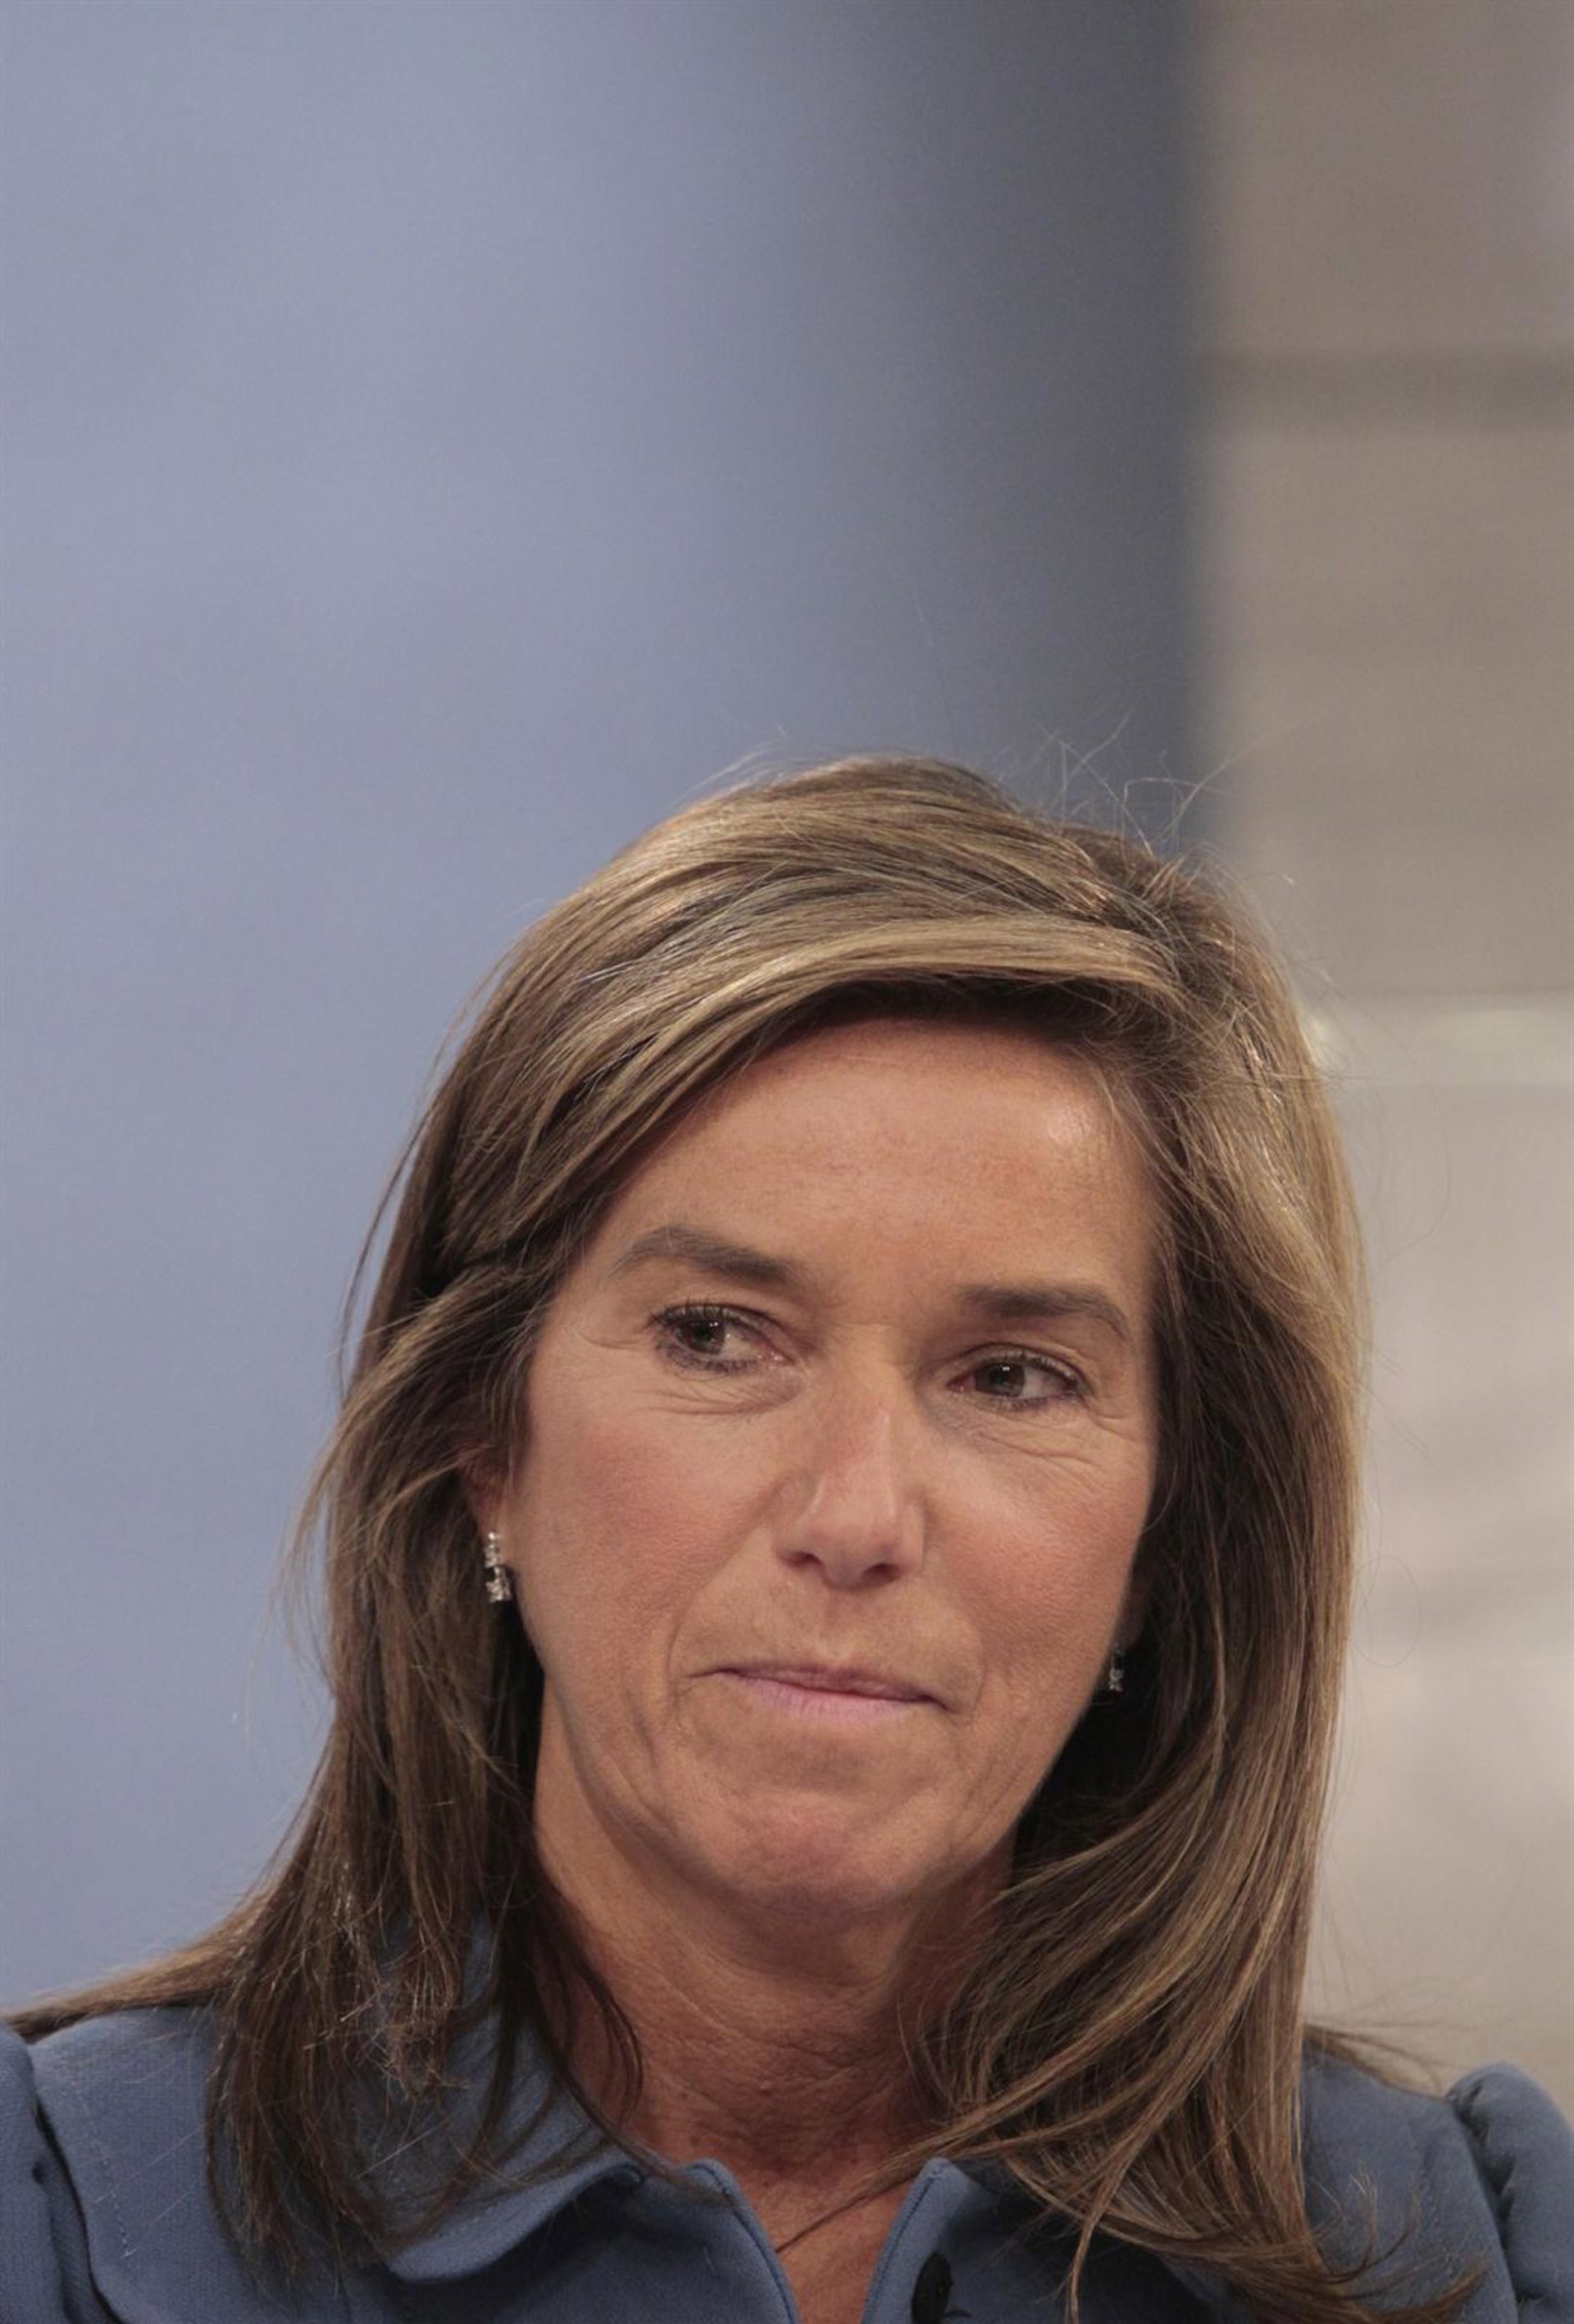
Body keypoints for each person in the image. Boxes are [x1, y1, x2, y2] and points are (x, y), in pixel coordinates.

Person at [2, 755, 1568, 2324]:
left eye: (1012, 1377)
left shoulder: (1463, 2255)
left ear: (1169, 1536)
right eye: (715, 1336)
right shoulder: (67, 2227)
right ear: (484, 1441)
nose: (855, 1516)